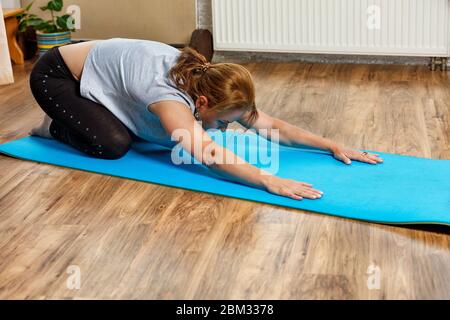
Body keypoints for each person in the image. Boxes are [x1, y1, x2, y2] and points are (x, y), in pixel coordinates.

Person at [29, 38, 383, 201]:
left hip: (101, 71)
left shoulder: (218, 88)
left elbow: (272, 126)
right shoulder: (168, 98)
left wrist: (330, 144)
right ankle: (59, 126)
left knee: (157, 136)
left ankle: (94, 113)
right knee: (115, 144)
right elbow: (207, 154)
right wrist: (267, 181)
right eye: (224, 121)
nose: (228, 127)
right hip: (58, 75)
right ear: (201, 100)